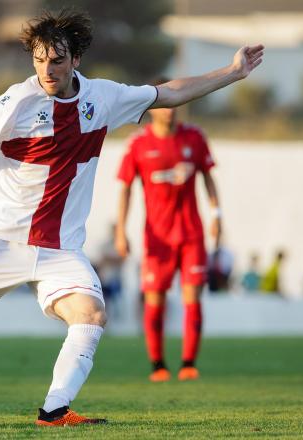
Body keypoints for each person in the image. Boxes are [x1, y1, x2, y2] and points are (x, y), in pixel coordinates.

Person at [0, 9, 264, 426]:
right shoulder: (14, 103)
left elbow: (168, 93)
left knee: (91, 314)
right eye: (39, 59)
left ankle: (54, 409)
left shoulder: (103, 98)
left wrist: (231, 71)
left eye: (57, 60)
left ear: (76, 60)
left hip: (60, 249)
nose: (47, 70)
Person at [114, 79, 222, 382]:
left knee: (192, 296)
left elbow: (209, 179)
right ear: (153, 107)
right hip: (157, 238)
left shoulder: (195, 137)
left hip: (191, 234)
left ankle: (188, 363)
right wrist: (121, 231)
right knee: (155, 298)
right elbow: (125, 189)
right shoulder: (138, 144)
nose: (171, 111)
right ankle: (158, 365)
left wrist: (217, 214)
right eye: (166, 104)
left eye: (177, 103)